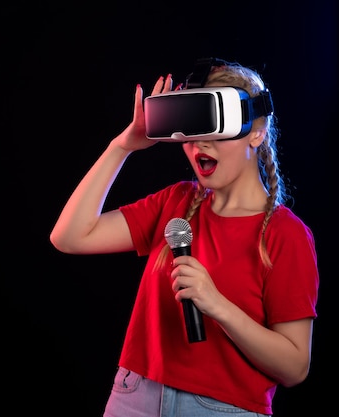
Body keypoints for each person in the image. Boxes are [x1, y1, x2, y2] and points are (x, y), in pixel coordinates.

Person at [49, 58, 319, 416]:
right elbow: (69, 237)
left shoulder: (286, 235)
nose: (198, 147)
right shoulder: (176, 202)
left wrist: (216, 304)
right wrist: (123, 146)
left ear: (256, 132)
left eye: (214, 131)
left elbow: (295, 367)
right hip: (135, 396)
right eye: (191, 133)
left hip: (223, 408)